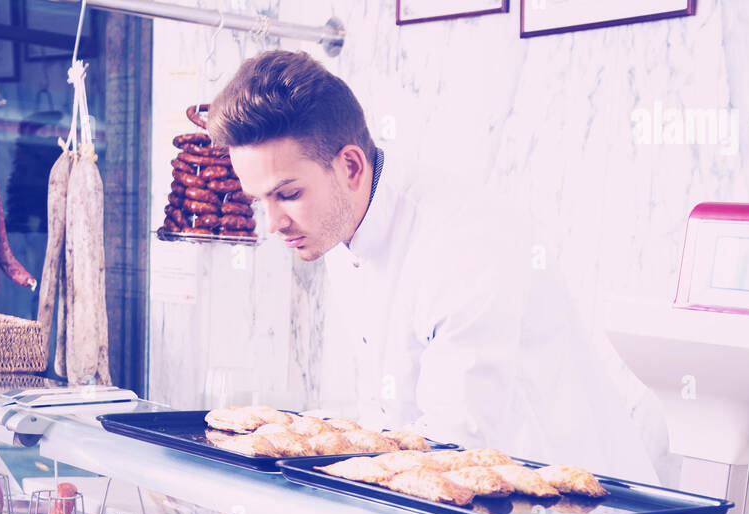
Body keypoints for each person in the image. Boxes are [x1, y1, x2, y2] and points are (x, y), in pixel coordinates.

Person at [208, 50, 659, 482]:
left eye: (287, 194)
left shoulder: (462, 241)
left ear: (350, 166)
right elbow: (392, 415)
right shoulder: (338, 222)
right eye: (259, 200)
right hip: (472, 504)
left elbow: (455, 441)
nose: (273, 223)